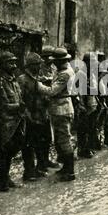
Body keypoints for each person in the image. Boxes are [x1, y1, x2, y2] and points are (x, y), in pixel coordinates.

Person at [0, 51, 26, 192]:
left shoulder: (13, 81)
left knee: (9, 152)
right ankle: (0, 183)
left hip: (15, 122)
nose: (13, 65)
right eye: (10, 62)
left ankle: (6, 178)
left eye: (15, 62)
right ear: (1, 65)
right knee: (1, 154)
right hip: (2, 124)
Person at [37, 48, 76, 182]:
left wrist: (37, 84)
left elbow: (53, 91)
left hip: (61, 109)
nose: (53, 64)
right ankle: (66, 167)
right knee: (61, 139)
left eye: (56, 62)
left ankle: (70, 171)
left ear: (61, 61)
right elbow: (55, 81)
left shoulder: (65, 73)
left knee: (64, 140)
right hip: (61, 108)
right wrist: (46, 79)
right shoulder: (65, 70)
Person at [17, 53, 52, 180]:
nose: (39, 66)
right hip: (30, 116)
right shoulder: (23, 80)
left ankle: (40, 167)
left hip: (42, 114)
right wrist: (27, 114)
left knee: (43, 141)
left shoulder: (38, 78)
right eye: (37, 64)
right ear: (30, 66)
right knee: (28, 145)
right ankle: (29, 171)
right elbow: (20, 99)